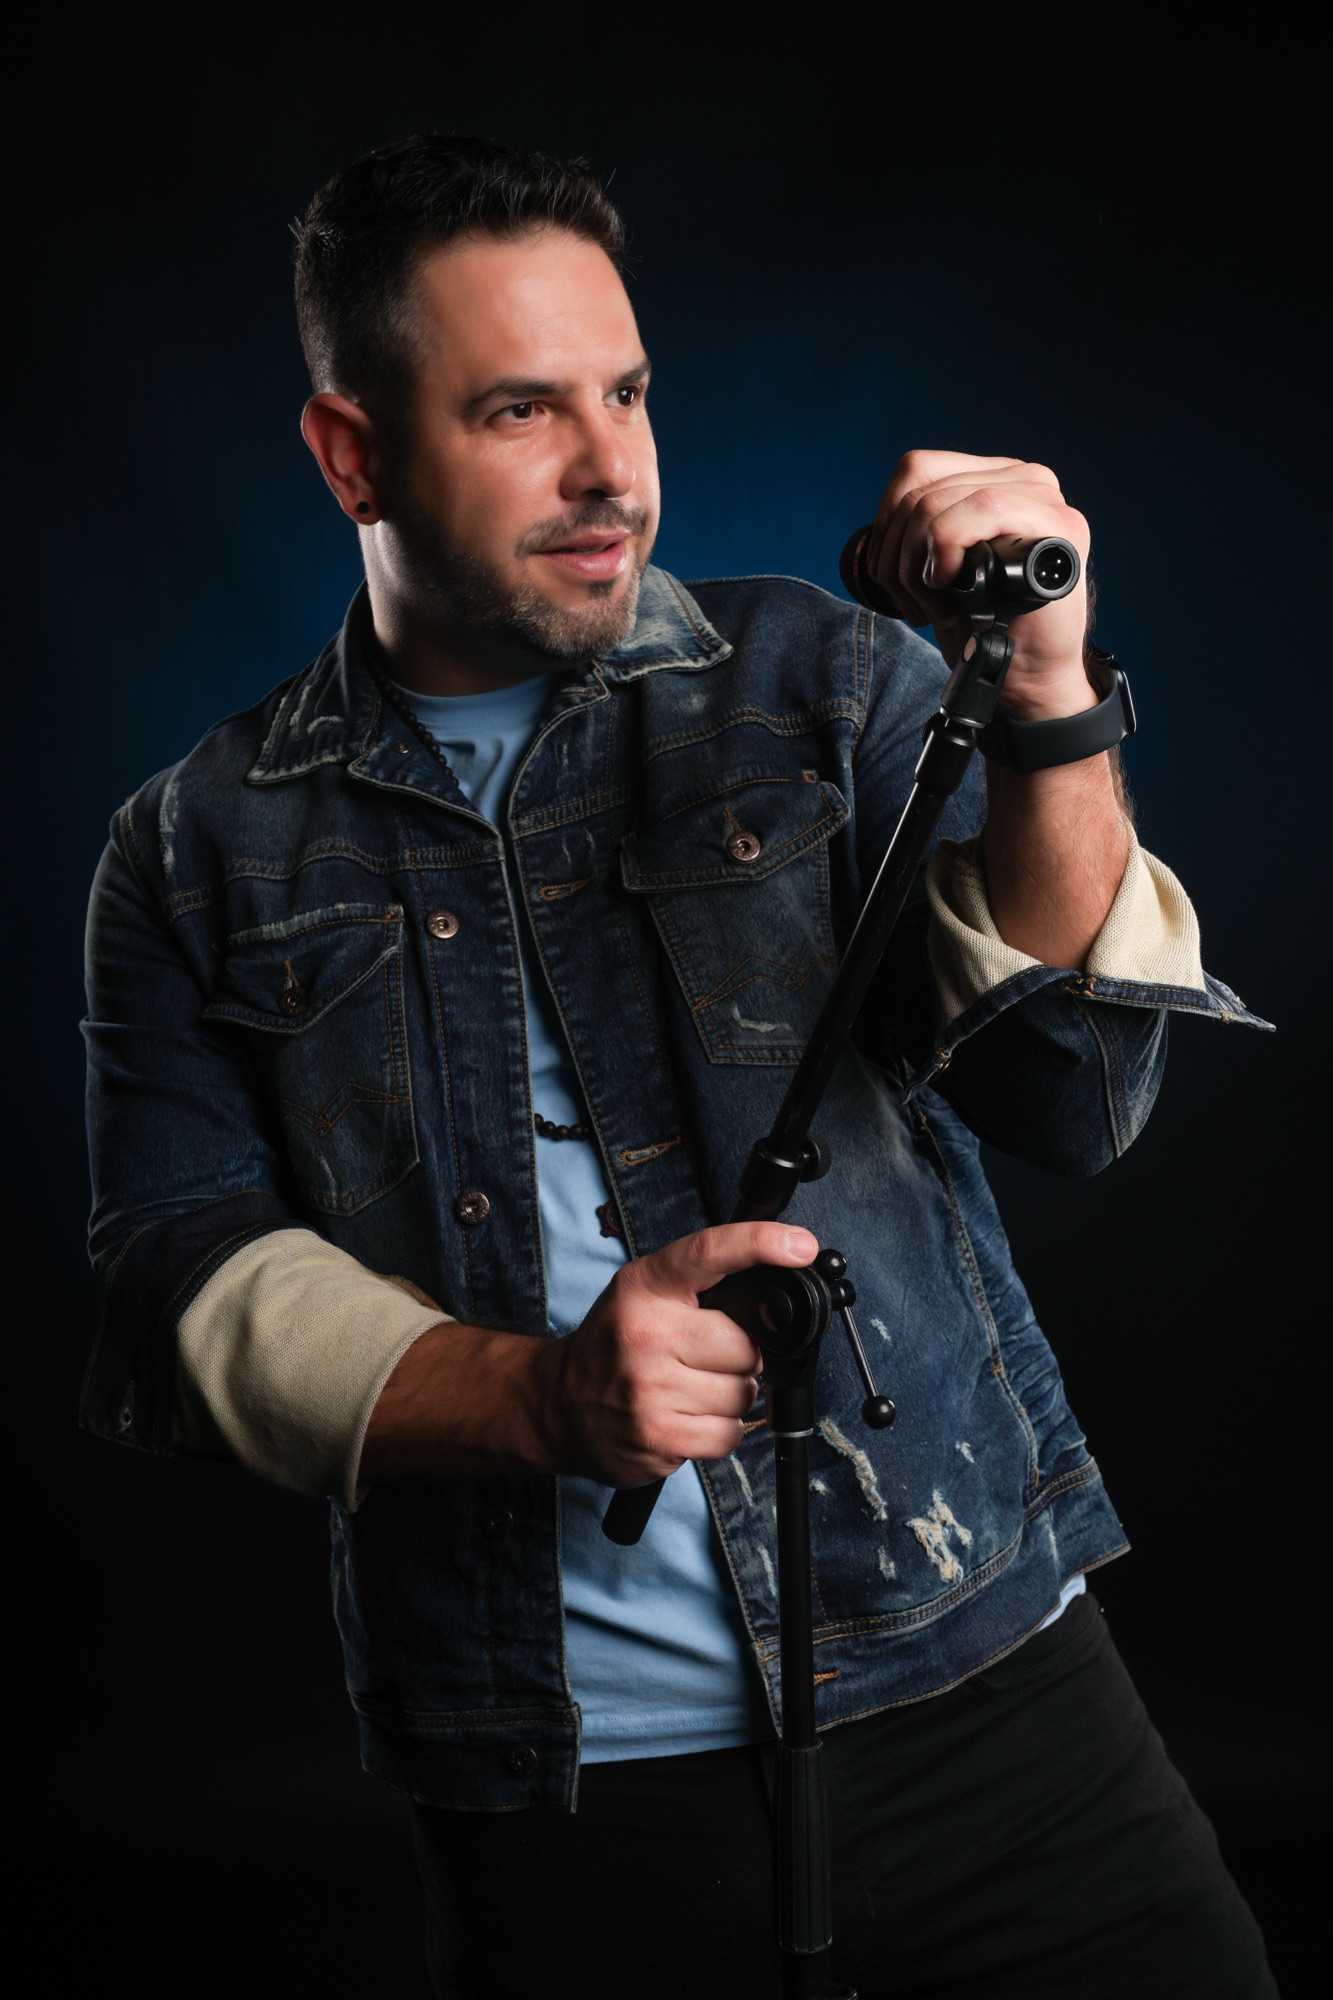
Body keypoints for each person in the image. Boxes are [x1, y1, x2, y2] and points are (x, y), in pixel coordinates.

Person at [80, 134, 1276, 1998]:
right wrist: (541, 1398)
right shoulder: (194, 845)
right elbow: (178, 1273)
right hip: (564, 1794)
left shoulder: (821, 682)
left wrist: (1043, 693)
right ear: (350, 454)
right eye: (519, 409)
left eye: (626, 393)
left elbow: (1071, 1092)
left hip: (988, 1695)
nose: (607, 468)